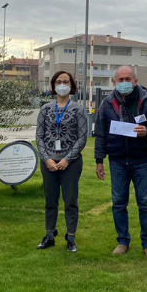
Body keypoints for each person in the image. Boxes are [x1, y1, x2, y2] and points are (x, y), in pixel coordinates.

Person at [94, 66, 147, 258]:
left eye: (128, 79)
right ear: (114, 82)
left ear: (135, 81)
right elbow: (100, 133)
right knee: (118, 203)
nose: (124, 83)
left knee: (145, 203)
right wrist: (99, 160)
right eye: (120, 79)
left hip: (142, 160)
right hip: (117, 161)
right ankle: (122, 241)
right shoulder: (107, 103)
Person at [36, 71, 88, 252]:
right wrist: (46, 159)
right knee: (50, 200)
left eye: (65, 81)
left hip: (71, 163)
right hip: (48, 161)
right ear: (53, 85)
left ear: (72, 85)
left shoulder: (78, 109)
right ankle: (49, 235)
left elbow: (82, 138)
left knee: (70, 201)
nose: (62, 84)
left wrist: (67, 159)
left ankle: (71, 237)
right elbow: (39, 136)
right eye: (58, 81)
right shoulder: (45, 109)